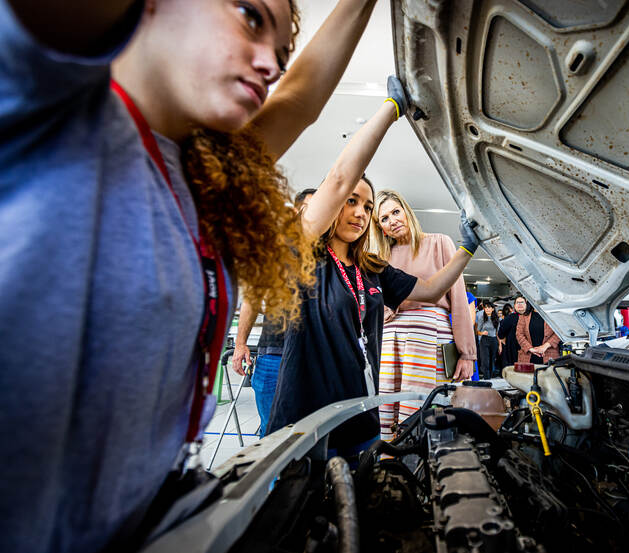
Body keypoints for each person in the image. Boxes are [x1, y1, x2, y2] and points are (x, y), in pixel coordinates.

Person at [0, 1, 382, 551]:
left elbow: (299, 100)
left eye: (280, 52)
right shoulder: (52, 104)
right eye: (251, 17)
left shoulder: (207, 183)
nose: (271, 65)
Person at [267, 99, 482, 454]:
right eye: (352, 201)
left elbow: (430, 290)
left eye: (367, 207)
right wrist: (391, 109)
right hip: (307, 417)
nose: (361, 213)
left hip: (360, 414)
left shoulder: (372, 268)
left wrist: (468, 248)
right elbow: (338, 177)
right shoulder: (307, 253)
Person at [372, 190, 476, 441]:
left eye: (395, 212)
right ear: (381, 228)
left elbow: (459, 299)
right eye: (384, 218)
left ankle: (427, 460)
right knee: (388, 406)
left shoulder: (439, 242)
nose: (392, 220)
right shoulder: (381, 258)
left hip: (430, 335)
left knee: (427, 405)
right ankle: (391, 462)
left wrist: (466, 353)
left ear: (407, 211)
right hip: (391, 339)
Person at [233, 188, 316, 437]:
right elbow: (253, 297)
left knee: (311, 437)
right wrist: (240, 343)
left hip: (313, 358)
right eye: (311, 208)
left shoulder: (331, 252)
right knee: (272, 436)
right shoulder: (277, 251)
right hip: (274, 355)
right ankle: (272, 478)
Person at [515, 295, 561, 364]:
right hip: (528, 356)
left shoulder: (552, 316)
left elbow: (558, 333)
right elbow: (519, 334)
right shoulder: (523, 316)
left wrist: (544, 347)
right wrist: (531, 349)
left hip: (549, 354)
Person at [476, 301, 500, 378]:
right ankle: (486, 377)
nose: (487, 309)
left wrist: (500, 345)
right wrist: (482, 333)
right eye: (485, 307)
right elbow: (477, 332)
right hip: (484, 340)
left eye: (489, 307)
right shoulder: (482, 318)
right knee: (485, 360)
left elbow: (497, 333)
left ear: (492, 309)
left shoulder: (496, 319)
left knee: (492, 360)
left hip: (493, 340)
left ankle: (490, 377)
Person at [498, 302, 520, 367]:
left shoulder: (507, 318)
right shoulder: (511, 318)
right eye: (518, 303)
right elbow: (501, 332)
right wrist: (502, 340)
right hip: (513, 345)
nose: (520, 305)